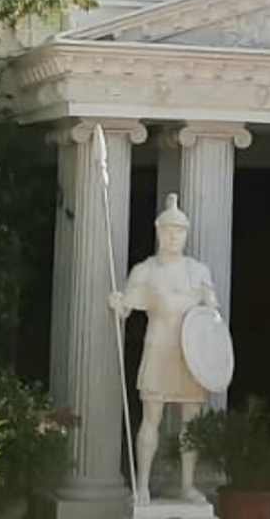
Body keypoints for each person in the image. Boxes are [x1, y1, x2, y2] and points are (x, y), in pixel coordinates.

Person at [111, 196, 221, 504]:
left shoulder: (198, 271)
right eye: (168, 231)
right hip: (158, 348)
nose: (174, 237)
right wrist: (118, 303)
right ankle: (143, 485)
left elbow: (212, 315)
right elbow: (127, 307)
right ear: (159, 232)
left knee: (191, 423)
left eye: (179, 231)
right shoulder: (145, 271)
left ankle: (187, 485)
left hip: (189, 355)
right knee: (151, 418)